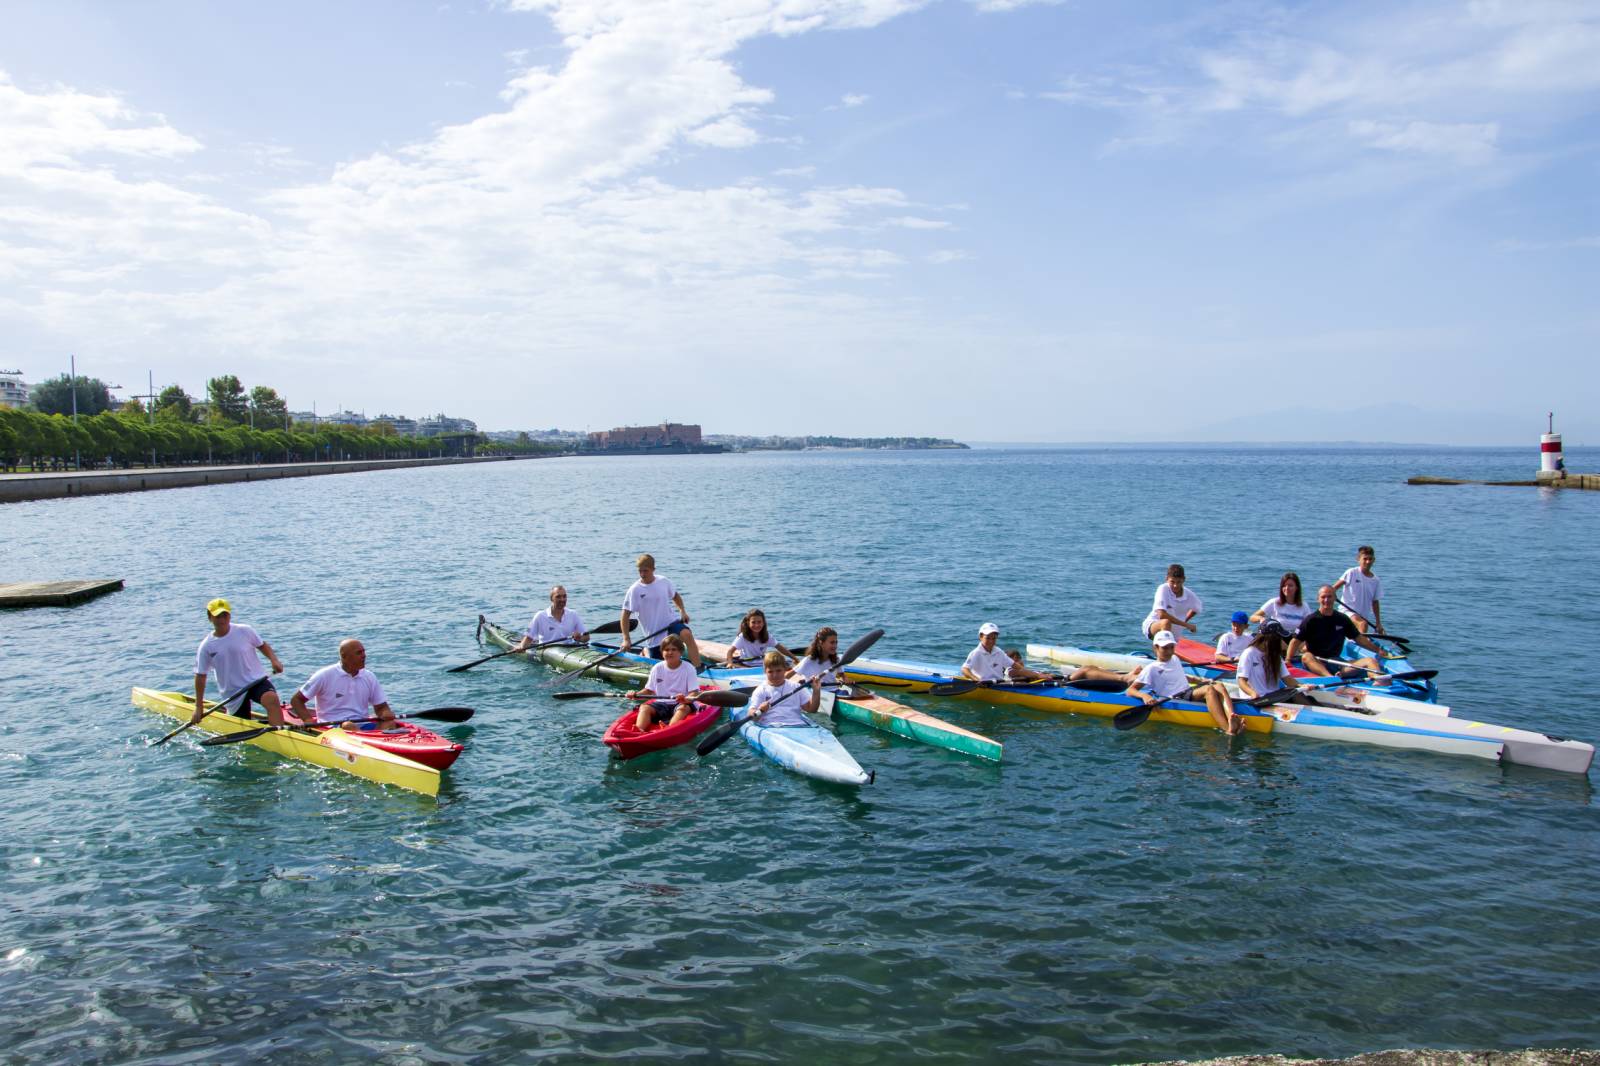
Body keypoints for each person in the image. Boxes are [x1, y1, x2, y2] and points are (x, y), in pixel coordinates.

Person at [1127, 631, 1243, 735]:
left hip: (1187, 692)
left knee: (1219, 685)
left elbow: (1182, 676)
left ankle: (1232, 717)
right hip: (1176, 697)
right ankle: (1228, 729)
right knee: (1209, 690)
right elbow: (1131, 690)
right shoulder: (1151, 668)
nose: (1169, 651)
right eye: (1165, 648)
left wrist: (1200, 680)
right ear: (1156, 648)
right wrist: (1144, 696)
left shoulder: (1175, 659)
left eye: (1171, 647)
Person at [193, 597, 286, 727]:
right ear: (210, 617)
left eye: (225, 615)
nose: (222, 619)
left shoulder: (244, 630)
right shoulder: (206, 646)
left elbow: (262, 645)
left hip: (255, 680)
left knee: (272, 699)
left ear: (229, 616)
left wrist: (274, 660)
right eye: (217, 616)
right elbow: (200, 676)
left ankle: (279, 733)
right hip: (233, 691)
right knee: (242, 723)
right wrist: (198, 707)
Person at [619, 553, 701, 669]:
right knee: (662, 666)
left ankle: (698, 669)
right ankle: (646, 651)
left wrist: (682, 611)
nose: (642, 574)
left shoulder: (663, 581)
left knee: (686, 634)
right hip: (654, 637)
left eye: (645, 571)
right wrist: (626, 639)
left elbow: (675, 596)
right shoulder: (635, 590)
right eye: (640, 571)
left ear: (653, 569)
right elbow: (625, 615)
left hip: (670, 625)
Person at [291, 639, 398, 728]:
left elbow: (381, 707)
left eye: (364, 652)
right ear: (344, 656)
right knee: (348, 726)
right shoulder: (324, 675)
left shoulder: (369, 676)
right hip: (332, 726)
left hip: (363, 724)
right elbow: (296, 700)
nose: (364, 656)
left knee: (390, 723)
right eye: (359, 653)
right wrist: (307, 719)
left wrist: (385, 713)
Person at [1289, 585, 1386, 678]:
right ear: (1318, 599)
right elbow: (1295, 641)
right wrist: (1288, 661)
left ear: (1335, 598)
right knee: (1306, 656)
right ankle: (1330, 677)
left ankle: (1379, 681)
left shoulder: (1342, 619)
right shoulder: (1310, 620)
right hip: (1317, 662)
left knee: (1370, 661)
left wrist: (1377, 650)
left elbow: (1359, 639)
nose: (1326, 600)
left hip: (1337, 663)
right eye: (1323, 597)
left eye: (1330, 597)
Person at [629, 634, 700, 731]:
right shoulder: (657, 668)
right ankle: (639, 729)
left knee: (683, 709)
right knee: (644, 707)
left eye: (674, 649)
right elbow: (649, 690)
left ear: (680, 652)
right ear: (662, 653)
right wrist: (636, 694)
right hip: (661, 704)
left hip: (681, 703)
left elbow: (694, 693)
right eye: (666, 650)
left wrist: (685, 698)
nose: (670, 652)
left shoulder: (689, 668)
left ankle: (668, 729)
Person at [745, 649, 823, 728]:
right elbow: (751, 716)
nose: (775, 675)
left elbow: (812, 709)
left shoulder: (796, 687)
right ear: (765, 671)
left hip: (798, 725)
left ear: (785, 669)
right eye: (770, 672)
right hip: (772, 727)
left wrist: (816, 691)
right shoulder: (761, 690)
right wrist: (760, 710)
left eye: (778, 671)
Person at [512, 584, 589, 652]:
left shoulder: (573, 614)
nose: (562, 599)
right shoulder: (540, 616)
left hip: (569, 649)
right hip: (547, 650)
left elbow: (586, 637)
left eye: (564, 596)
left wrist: (580, 638)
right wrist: (521, 647)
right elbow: (529, 638)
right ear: (551, 599)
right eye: (558, 597)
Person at [1235, 621, 1300, 700]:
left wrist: (1302, 686)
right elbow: (1241, 681)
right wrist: (1252, 693)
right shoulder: (1249, 654)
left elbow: (1287, 679)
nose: (1281, 641)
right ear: (1269, 638)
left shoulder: (1276, 655)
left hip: (1273, 696)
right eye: (1279, 638)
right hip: (1257, 699)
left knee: (1301, 696)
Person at [1142, 564, 1203, 645]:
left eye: (1179, 582)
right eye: (1172, 582)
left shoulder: (1189, 595)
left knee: (1170, 650)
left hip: (1174, 634)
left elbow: (1197, 608)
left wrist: (1184, 621)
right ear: (1167, 579)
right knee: (1166, 623)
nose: (1175, 585)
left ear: (1184, 580)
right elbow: (1162, 615)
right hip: (1153, 626)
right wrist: (1186, 625)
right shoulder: (1163, 589)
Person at [1332, 546, 1384, 634]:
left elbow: (1375, 602)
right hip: (1346, 612)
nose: (1368, 562)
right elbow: (1333, 588)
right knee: (1363, 625)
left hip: (1362, 616)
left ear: (1374, 560)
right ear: (1358, 559)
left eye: (1370, 559)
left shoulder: (1376, 580)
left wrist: (1378, 623)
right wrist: (1333, 594)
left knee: (1361, 625)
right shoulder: (1351, 572)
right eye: (1365, 559)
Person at [961, 622, 1030, 683]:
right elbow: (964, 669)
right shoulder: (976, 653)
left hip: (998, 684)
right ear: (981, 636)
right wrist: (976, 679)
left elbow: (1013, 665)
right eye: (988, 638)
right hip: (983, 684)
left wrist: (1028, 673)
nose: (991, 641)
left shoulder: (999, 652)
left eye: (994, 638)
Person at [724, 608, 793, 667]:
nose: (756, 625)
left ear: (763, 623)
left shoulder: (767, 635)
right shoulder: (742, 637)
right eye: (753, 622)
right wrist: (730, 663)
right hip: (746, 665)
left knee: (787, 663)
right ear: (748, 623)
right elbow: (730, 652)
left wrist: (795, 659)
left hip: (762, 665)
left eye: (759, 622)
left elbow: (780, 648)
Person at [1251, 571, 1310, 636]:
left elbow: (1310, 625)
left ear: (1297, 588)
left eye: (1290, 585)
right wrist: (1261, 619)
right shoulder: (1274, 602)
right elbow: (1252, 617)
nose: (1287, 588)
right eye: (1284, 586)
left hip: (1295, 640)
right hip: (1276, 639)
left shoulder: (1304, 606)